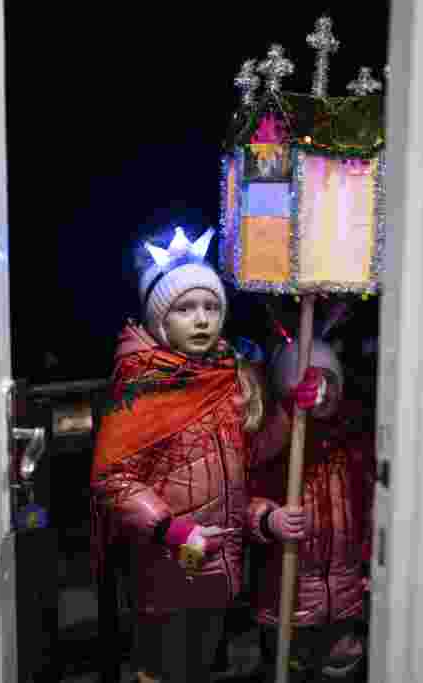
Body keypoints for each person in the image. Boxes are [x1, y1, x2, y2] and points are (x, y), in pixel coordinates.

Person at [89, 227, 314, 683]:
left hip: (218, 564)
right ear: (159, 322)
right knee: (160, 669)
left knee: (201, 665)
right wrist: (171, 528)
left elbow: (246, 461)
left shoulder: (228, 377)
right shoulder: (142, 386)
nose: (201, 319)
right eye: (185, 308)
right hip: (164, 568)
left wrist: (293, 409)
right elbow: (112, 479)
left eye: (211, 307)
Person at [247, 338, 376, 682]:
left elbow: (369, 506)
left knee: (340, 664)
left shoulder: (350, 443)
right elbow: (243, 497)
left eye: (330, 384)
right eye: (312, 386)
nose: (323, 395)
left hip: (345, 590)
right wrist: (267, 519)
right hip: (286, 594)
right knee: (288, 665)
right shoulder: (275, 448)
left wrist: (370, 559)